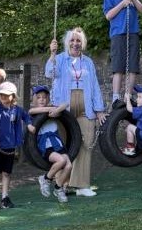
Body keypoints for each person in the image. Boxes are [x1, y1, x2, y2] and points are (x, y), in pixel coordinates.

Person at [45, 27, 108, 195]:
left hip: (86, 106)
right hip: (64, 106)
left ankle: (81, 185)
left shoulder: (88, 62)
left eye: (78, 40)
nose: (75, 43)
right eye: (72, 40)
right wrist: (52, 54)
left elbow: (95, 86)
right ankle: (62, 184)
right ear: (67, 43)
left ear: (83, 43)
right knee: (65, 144)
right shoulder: (60, 58)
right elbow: (49, 73)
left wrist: (99, 110)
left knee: (86, 143)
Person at [102, 0, 142, 105]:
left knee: (132, 67)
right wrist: (122, 4)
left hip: (133, 33)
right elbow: (108, 16)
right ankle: (116, 97)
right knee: (118, 67)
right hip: (118, 34)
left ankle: (128, 95)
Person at [0, 81, 31, 210]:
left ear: (13, 96)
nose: (3, 97)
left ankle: (5, 198)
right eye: (1, 94)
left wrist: (30, 125)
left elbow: (27, 117)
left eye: (6, 95)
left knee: (6, 174)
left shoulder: (18, 110)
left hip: (10, 148)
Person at [29, 84, 72, 204]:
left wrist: (56, 110)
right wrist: (50, 110)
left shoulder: (53, 109)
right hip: (46, 145)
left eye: (44, 97)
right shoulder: (33, 112)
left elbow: (66, 104)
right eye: (38, 97)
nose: (41, 100)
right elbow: (32, 111)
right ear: (34, 99)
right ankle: (45, 178)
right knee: (61, 161)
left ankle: (58, 188)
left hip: (57, 143)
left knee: (69, 166)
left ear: (47, 98)